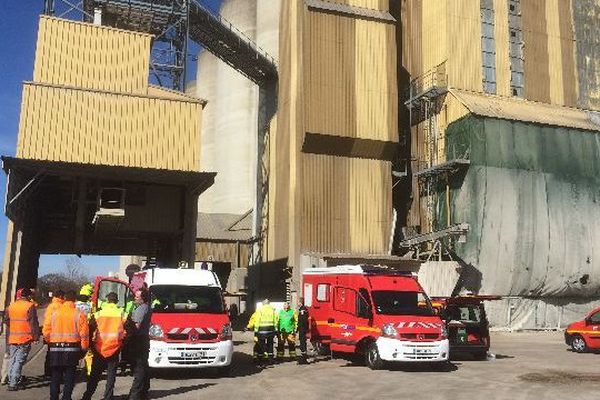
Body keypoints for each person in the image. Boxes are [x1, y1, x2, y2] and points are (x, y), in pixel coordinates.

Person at [43, 290, 89, 400]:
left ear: (64, 299)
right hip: (72, 349)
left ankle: (53, 397)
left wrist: (50, 341)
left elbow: (46, 330)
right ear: (75, 301)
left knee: (55, 376)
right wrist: (84, 348)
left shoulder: (54, 313)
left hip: (55, 348)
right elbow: (84, 334)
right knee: (69, 377)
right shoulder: (79, 314)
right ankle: (66, 397)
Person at [81, 292, 126, 400]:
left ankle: (87, 396)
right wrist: (122, 342)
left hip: (99, 349)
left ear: (107, 300)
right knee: (111, 377)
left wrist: (91, 345)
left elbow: (89, 329)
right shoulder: (122, 313)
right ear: (117, 301)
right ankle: (108, 397)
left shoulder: (98, 314)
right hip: (114, 348)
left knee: (94, 376)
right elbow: (130, 330)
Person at [4, 287, 39, 391]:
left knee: (12, 359)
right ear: (28, 296)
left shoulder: (11, 306)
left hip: (13, 337)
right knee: (19, 361)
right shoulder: (30, 306)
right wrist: (36, 337)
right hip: (24, 338)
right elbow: (33, 323)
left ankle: (11, 379)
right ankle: (14, 383)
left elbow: (6, 320)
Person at [127, 288, 151, 400]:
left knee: (139, 368)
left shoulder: (142, 308)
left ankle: (135, 395)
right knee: (143, 367)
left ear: (143, 298)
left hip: (139, 340)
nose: (134, 298)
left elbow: (136, 326)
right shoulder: (142, 307)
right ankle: (143, 391)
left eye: (137, 297)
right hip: (142, 340)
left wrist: (127, 323)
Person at [44, 290, 65, 377]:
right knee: (59, 354)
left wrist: (46, 335)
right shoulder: (61, 306)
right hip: (59, 333)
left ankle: (48, 372)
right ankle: (57, 372)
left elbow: (47, 320)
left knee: (49, 353)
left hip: (50, 333)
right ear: (60, 296)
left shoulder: (50, 306)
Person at [297, 297, 310, 364]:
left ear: (300, 302)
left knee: (302, 343)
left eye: (298, 302)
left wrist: (299, 327)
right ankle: (304, 357)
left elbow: (302, 320)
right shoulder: (302, 309)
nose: (297, 303)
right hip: (302, 328)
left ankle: (304, 358)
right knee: (302, 342)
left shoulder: (303, 310)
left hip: (302, 328)